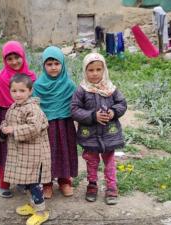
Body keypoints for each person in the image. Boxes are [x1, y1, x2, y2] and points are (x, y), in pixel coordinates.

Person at [0, 41, 37, 198]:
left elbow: (36, 100)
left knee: (24, 152)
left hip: (25, 120)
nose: (14, 62)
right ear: (4, 60)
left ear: (23, 56)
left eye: (17, 57)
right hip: (5, 121)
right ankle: (4, 184)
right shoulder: (0, 79)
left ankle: (22, 181)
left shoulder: (31, 77)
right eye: (9, 58)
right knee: (4, 154)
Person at [71, 52, 127, 205]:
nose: (95, 73)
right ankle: (92, 185)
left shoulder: (111, 88)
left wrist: (113, 112)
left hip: (109, 134)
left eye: (98, 69)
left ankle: (111, 187)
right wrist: (92, 116)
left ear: (104, 70)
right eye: (91, 70)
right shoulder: (82, 90)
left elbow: (122, 104)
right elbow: (75, 110)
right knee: (91, 161)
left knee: (109, 162)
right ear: (85, 71)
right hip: (90, 135)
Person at [0, 73, 51, 225]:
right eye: (14, 91)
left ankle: (41, 211)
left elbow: (34, 128)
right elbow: (7, 123)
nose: (18, 94)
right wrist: (2, 129)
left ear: (30, 91)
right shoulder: (13, 107)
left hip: (34, 154)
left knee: (34, 183)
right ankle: (32, 205)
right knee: (25, 181)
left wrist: (13, 130)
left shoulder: (33, 109)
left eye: (22, 91)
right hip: (21, 154)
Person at [33, 46, 78, 199]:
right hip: (46, 126)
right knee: (46, 154)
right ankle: (46, 184)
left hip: (65, 125)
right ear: (43, 66)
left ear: (63, 64)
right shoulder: (38, 86)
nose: (53, 67)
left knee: (65, 151)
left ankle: (65, 181)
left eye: (57, 63)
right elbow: (34, 108)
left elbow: (76, 105)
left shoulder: (69, 85)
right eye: (49, 64)